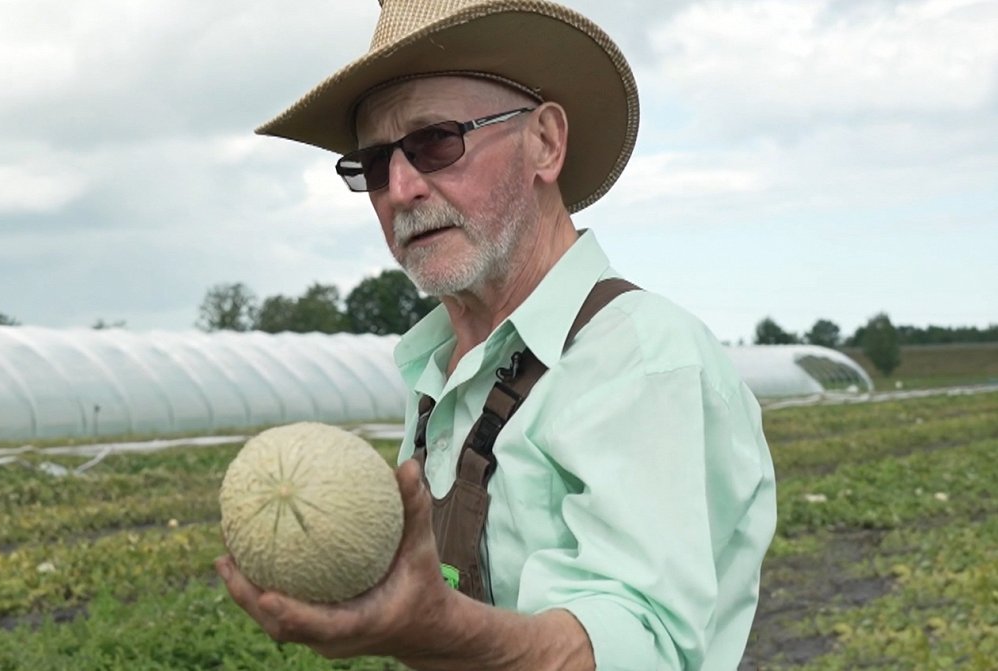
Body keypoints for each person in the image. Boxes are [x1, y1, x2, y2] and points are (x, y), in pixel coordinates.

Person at [215, 1, 777, 669]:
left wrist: (434, 628)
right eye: (371, 165)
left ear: (544, 142)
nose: (400, 187)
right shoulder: (440, 372)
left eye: (435, 141)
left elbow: (642, 644)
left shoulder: (645, 359)